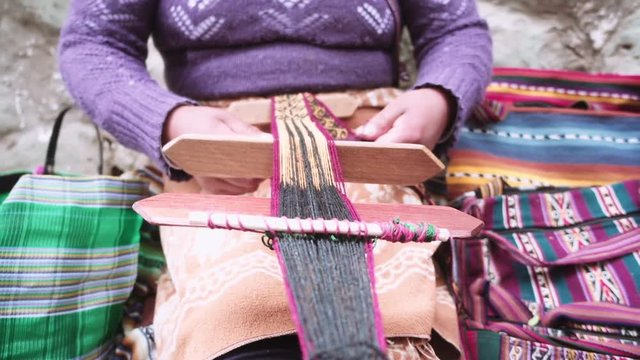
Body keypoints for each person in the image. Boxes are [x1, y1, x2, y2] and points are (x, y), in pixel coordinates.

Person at [59, 0, 492, 358]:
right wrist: (171, 122)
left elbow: (455, 30)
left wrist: (438, 99)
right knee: (237, 316)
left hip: (367, 146)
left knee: (401, 313)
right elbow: (94, 44)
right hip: (220, 156)